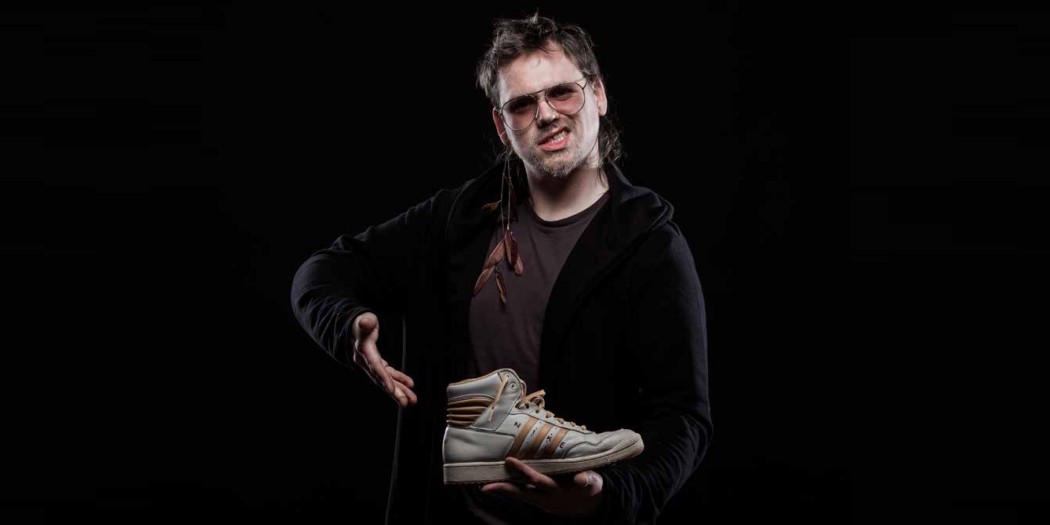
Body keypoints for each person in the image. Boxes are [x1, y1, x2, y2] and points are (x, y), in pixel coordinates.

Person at [291, 13, 711, 524]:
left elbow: (683, 420)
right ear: (501, 124)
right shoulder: (458, 219)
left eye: (562, 93)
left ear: (598, 94)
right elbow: (321, 272)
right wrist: (345, 326)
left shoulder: (651, 246)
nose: (546, 114)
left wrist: (607, 494)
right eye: (522, 104)